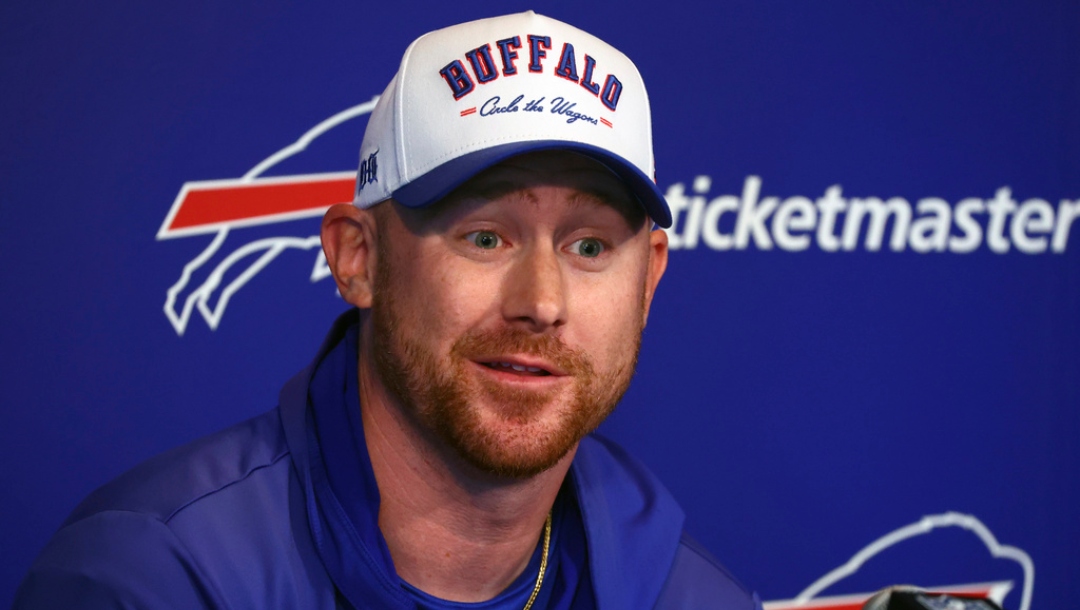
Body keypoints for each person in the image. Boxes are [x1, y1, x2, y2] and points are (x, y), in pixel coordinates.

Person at [15, 11, 761, 609]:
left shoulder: (694, 597)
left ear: (649, 279)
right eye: (485, 236)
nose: (541, 302)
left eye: (589, 247)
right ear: (358, 258)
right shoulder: (156, 579)